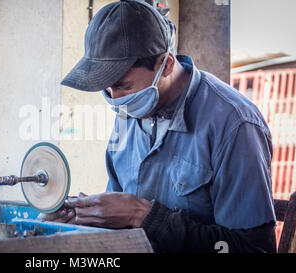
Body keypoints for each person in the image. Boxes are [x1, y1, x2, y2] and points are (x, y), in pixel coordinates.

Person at [39, 0, 277, 253]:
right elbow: (120, 225)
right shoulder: (127, 115)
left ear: (166, 64)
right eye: (106, 89)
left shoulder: (234, 125)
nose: (115, 99)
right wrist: (83, 219)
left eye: (123, 86)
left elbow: (255, 249)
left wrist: (145, 216)